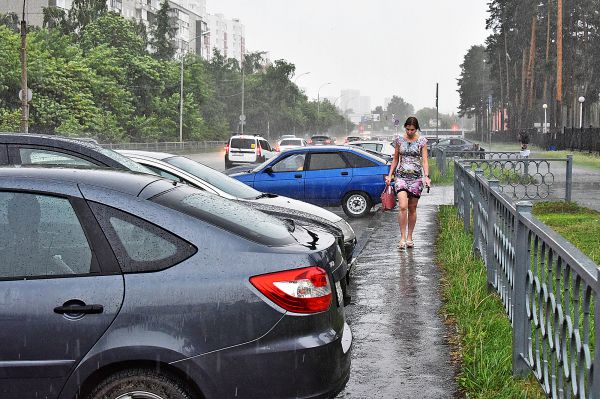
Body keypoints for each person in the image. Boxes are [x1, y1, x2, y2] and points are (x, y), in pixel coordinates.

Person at [385, 116, 431, 250]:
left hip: (416, 178)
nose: (410, 132)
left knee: (412, 208)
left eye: (412, 129)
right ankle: (402, 237)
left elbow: (425, 160)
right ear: (405, 127)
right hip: (401, 177)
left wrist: (426, 176)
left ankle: (410, 237)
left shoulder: (422, 141)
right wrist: (390, 175)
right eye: (408, 129)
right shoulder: (399, 140)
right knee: (403, 206)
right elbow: (395, 159)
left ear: (416, 129)